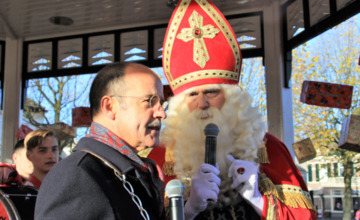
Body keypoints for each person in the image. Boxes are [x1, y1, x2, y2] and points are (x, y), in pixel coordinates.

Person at [148, 0, 317, 219]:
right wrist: (188, 209)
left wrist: (257, 198)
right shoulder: (160, 158)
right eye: (192, 95)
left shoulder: (269, 148)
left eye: (211, 92)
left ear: (233, 99)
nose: (202, 104)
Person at [35, 62, 167, 219]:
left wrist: (190, 211)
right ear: (110, 107)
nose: (162, 114)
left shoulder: (133, 172)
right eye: (150, 101)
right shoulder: (76, 176)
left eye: (162, 103)